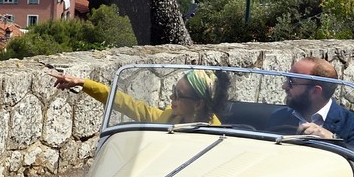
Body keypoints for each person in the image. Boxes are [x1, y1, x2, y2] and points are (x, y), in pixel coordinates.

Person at [50, 67, 231, 125]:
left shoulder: (214, 134)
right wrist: (83, 83)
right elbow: (127, 103)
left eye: (178, 94)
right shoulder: (170, 117)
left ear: (198, 104)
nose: (171, 98)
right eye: (173, 91)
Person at [283, 57, 354, 157]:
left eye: (291, 82)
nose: (284, 86)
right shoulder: (280, 116)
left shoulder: (352, 123)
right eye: (286, 79)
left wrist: (332, 139)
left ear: (315, 91)